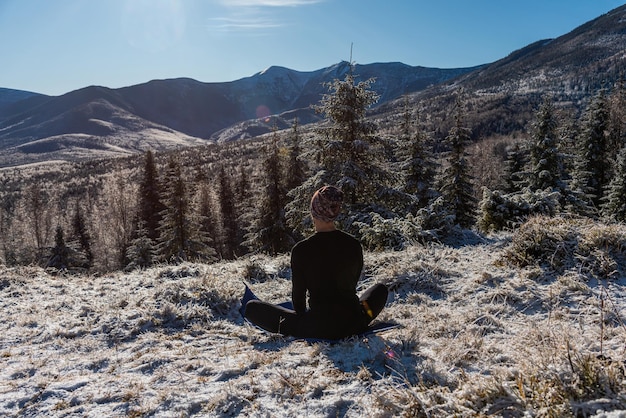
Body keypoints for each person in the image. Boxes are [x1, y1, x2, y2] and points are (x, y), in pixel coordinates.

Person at [244, 185, 388, 340]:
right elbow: (352, 283)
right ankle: (356, 315)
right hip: (354, 322)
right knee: (380, 290)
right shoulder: (353, 244)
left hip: (317, 327)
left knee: (252, 308)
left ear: (314, 212)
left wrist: (302, 319)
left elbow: (298, 301)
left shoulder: (301, 250)